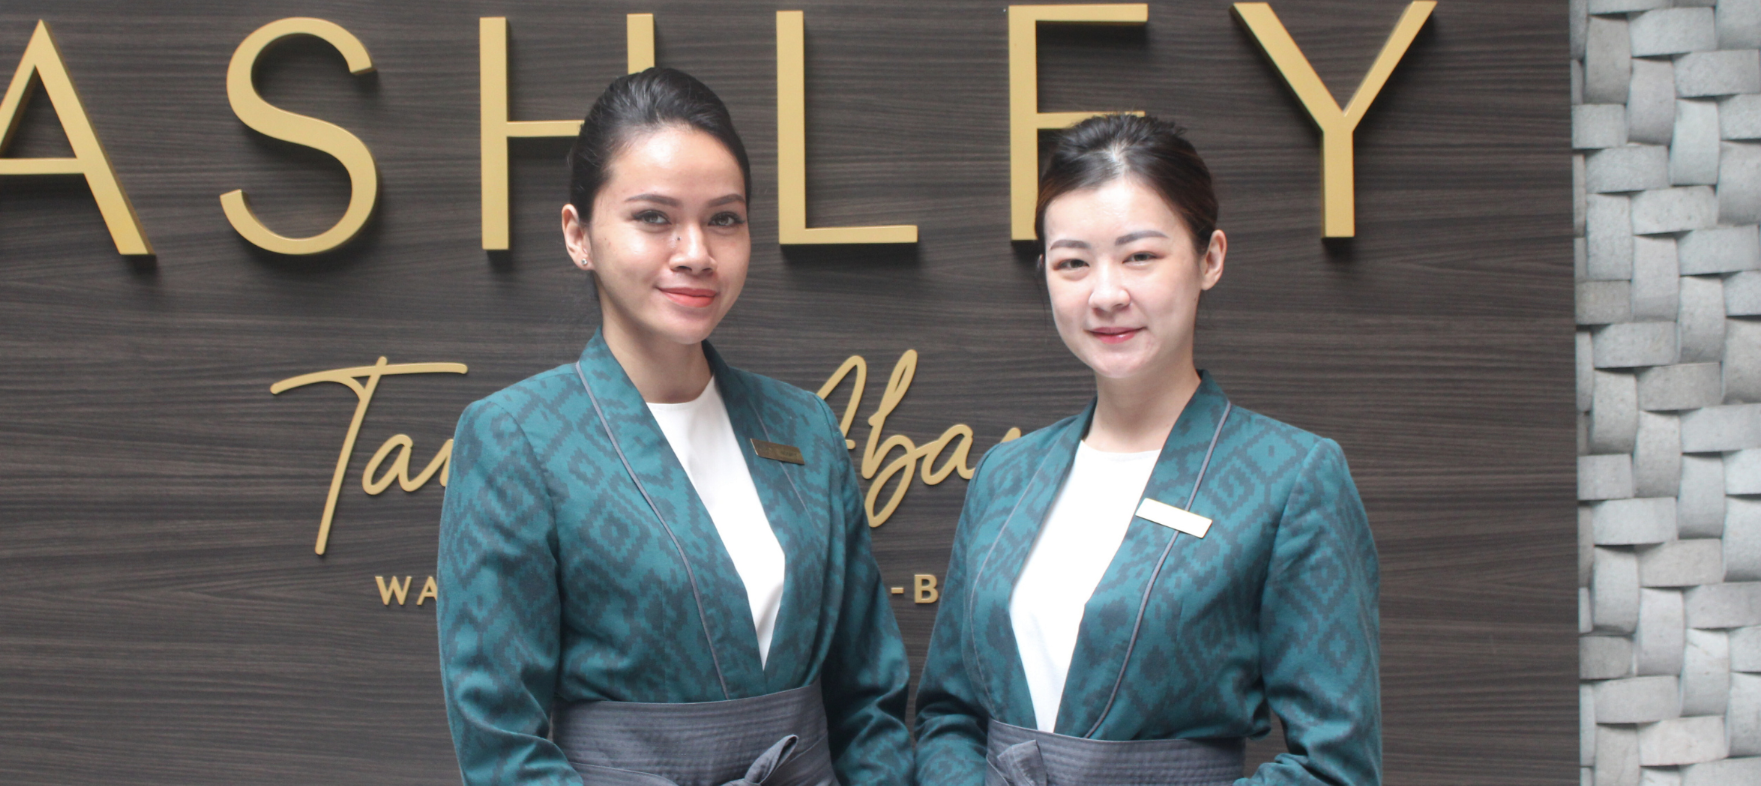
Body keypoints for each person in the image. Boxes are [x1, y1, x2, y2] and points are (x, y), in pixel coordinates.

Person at [437, 67, 912, 786]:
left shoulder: (805, 427)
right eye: (654, 218)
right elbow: (501, 743)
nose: (696, 252)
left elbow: (869, 698)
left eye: (724, 218)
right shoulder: (515, 438)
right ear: (579, 234)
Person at [913, 114, 1381, 786]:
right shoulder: (1005, 475)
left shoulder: (1294, 478)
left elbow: (1336, 767)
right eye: (1074, 262)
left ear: (1210, 258)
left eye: (1140, 256)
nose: (1106, 294)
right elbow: (949, 715)